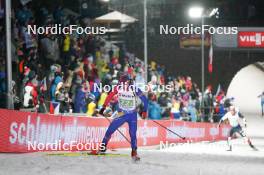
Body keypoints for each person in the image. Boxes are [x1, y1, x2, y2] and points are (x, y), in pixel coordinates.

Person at [98, 73, 148, 161]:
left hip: (132, 115)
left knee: (132, 134)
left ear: (128, 82)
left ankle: (134, 152)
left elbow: (145, 100)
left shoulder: (134, 89)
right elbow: (109, 96)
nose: (122, 84)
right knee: (110, 130)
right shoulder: (118, 87)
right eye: (121, 82)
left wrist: (144, 110)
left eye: (124, 82)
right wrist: (103, 107)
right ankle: (103, 147)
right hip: (121, 113)